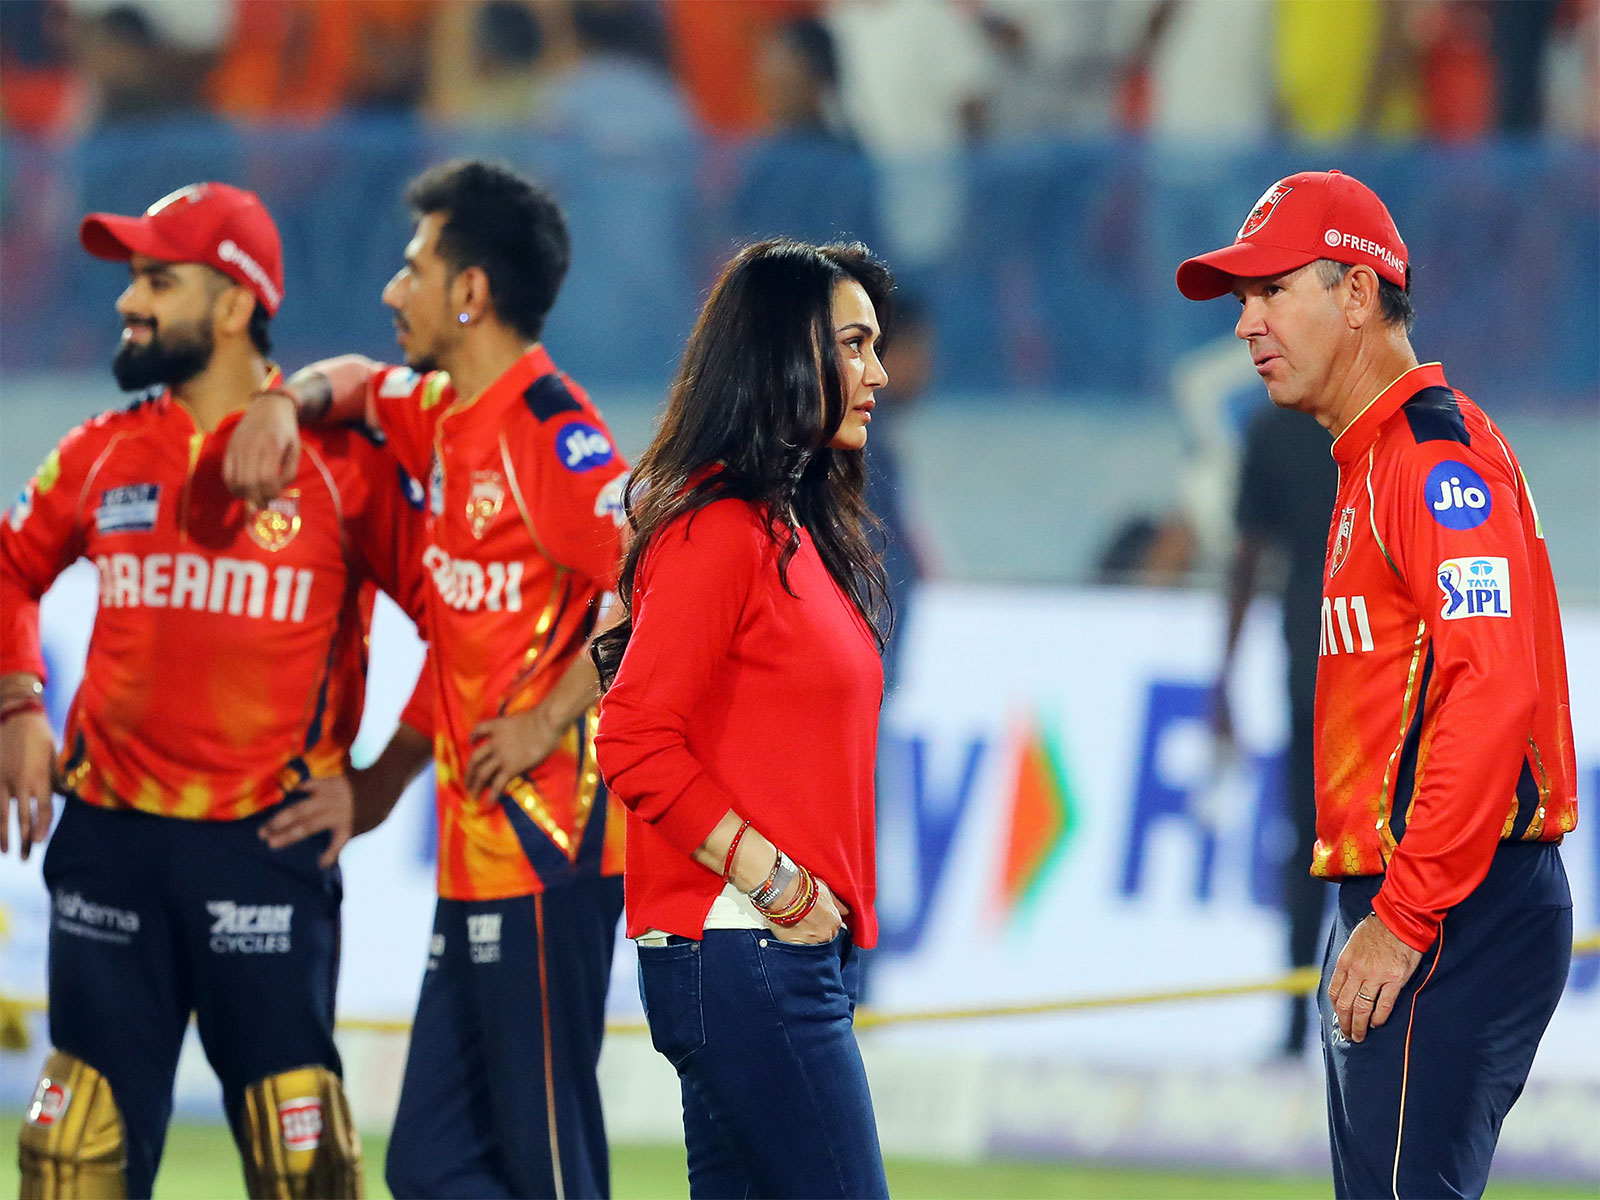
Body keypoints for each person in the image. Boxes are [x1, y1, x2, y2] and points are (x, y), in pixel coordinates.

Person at [0, 182, 426, 1199]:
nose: (126, 302)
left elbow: (465, 626)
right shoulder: (98, 451)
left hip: (265, 851)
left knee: (302, 1163)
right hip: (106, 841)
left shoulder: (343, 470)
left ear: (234, 303)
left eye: (157, 279)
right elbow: (10, 567)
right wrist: (20, 703)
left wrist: (380, 786)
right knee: (71, 1151)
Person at [224, 159, 630, 1199]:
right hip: (472, 853)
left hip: (549, 849)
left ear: (471, 292)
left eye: (414, 269)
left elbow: (660, 592)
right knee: (434, 1166)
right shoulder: (442, 411)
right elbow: (359, 377)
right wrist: (281, 402)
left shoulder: (552, 433)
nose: (391, 290)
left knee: (547, 1166)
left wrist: (545, 720)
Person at [1176, 169, 1577, 1198]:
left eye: (1270, 292)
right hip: (1420, 893)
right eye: (1240, 301)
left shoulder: (1434, 464)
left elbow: (1492, 694)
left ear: (1355, 294)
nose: (1245, 325)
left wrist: (1400, 918)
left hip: (1449, 904)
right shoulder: (1370, 461)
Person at [591, 238, 893, 1200]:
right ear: (780, 350)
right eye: (851, 345)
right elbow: (633, 738)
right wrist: (775, 885)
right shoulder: (719, 529)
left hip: (758, 955)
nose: (876, 373)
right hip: (748, 949)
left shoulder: (783, 524)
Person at [1214, 399, 1337, 1057]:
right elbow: (1247, 556)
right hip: (1314, 675)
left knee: (1316, 849)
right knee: (1314, 848)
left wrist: (1225, 675)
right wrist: (1225, 675)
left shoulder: (1392, 423)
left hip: (1347, 674)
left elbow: (1247, 559)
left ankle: (1304, 1028)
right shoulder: (1273, 431)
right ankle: (1298, 1025)